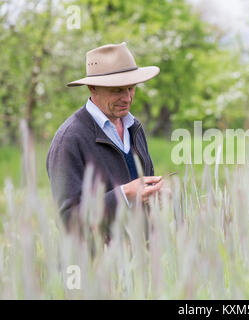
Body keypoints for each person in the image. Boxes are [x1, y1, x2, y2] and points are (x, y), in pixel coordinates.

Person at [46, 42, 164, 235]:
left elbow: (140, 197)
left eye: (131, 88)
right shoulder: (69, 140)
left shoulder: (134, 127)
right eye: (117, 90)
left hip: (140, 258)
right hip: (95, 263)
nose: (127, 98)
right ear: (93, 88)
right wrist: (124, 196)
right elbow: (70, 221)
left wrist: (154, 195)